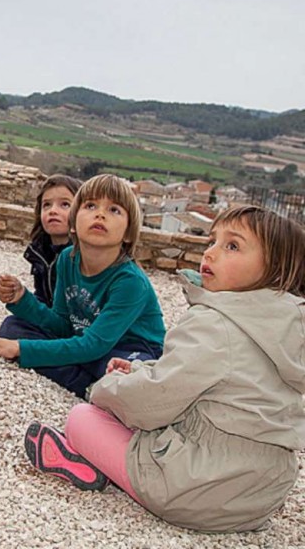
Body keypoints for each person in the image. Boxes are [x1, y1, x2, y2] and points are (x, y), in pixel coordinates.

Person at [23, 206, 305, 533]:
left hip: (196, 493)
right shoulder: (289, 328)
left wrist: (104, 389)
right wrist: (141, 370)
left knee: (82, 418)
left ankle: (87, 460)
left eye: (232, 246)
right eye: (212, 241)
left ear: (275, 268)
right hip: (260, 499)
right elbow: (220, 378)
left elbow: (153, 403)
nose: (211, 252)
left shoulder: (213, 323)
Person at [0, 174, 165, 398]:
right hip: (88, 343)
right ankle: (89, 385)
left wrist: (18, 349)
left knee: (123, 377)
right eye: (90, 205)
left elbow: (93, 346)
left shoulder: (130, 281)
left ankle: (87, 384)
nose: (100, 214)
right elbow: (62, 325)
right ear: (73, 223)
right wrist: (22, 300)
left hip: (127, 350)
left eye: (114, 210)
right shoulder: (67, 260)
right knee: (13, 328)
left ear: (128, 233)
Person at [0, 173, 82, 329]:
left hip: (79, 327)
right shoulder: (40, 251)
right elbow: (42, 298)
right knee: (11, 327)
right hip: (51, 321)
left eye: (65, 205)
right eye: (47, 205)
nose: (53, 211)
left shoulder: (83, 256)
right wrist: (20, 297)